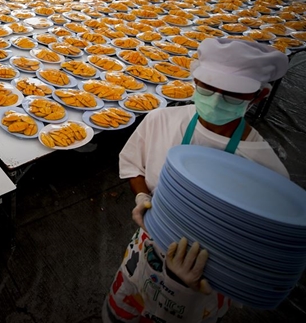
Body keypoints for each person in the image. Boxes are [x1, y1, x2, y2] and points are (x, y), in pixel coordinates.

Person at [104, 38, 289, 323]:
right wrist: (142, 196)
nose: (215, 100)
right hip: (149, 246)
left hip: (206, 278)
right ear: (194, 79)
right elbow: (133, 165)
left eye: (232, 94)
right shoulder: (161, 120)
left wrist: (215, 272)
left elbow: (261, 249)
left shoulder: (266, 170)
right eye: (207, 87)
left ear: (259, 96)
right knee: (127, 308)